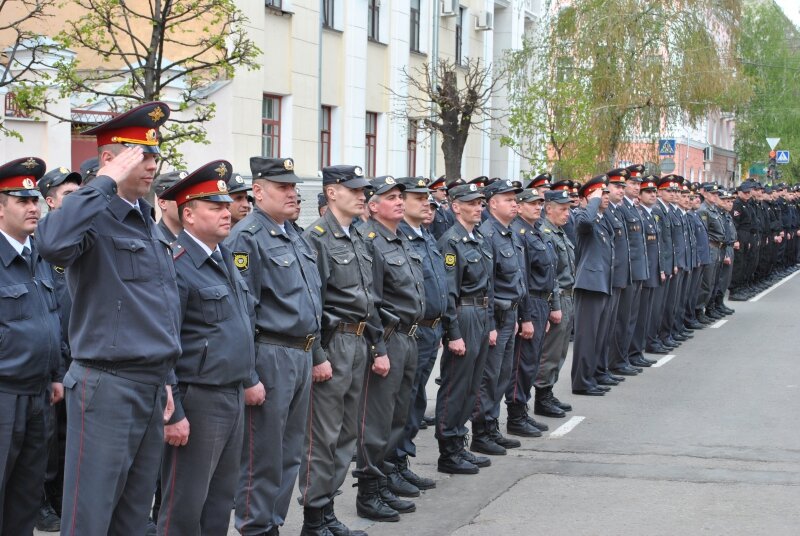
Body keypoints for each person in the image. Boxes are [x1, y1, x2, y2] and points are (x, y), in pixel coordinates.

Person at [37, 101, 181, 535]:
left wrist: (168, 378)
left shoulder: (146, 222)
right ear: (110, 159)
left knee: (134, 518)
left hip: (151, 383)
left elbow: (160, 309)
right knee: (90, 516)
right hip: (107, 385)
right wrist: (102, 184)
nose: (153, 165)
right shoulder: (92, 215)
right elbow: (53, 242)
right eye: (142, 155)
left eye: (156, 155)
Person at [155, 160, 258, 536]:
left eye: (226, 205)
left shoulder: (223, 256)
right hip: (198, 399)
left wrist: (249, 377)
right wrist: (174, 411)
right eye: (215, 207)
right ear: (189, 214)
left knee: (219, 502)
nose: (227, 212)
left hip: (230, 394)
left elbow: (239, 325)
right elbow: (166, 343)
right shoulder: (176, 264)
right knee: (184, 505)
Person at [226, 157, 322, 536]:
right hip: (271, 353)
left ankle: (272, 523)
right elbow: (242, 311)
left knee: (290, 451)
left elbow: (310, 302)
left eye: (293, 186)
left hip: (299, 352)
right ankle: (254, 525)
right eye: (283, 187)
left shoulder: (294, 233)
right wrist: (249, 374)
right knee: (261, 453)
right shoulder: (247, 237)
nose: (292, 192)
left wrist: (315, 353)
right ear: (258, 191)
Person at [298, 165, 383, 536]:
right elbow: (311, 301)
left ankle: (327, 509)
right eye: (353, 189)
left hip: (359, 341)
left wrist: (376, 343)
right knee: (323, 435)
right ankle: (314, 519)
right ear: (331, 192)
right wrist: (317, 354)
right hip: (333, 343)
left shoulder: (360, 235)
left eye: (363, 189)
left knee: (348, 434)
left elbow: (370, 298)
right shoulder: (316, 237)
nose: (362, 195)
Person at [353, 176, 425, 521]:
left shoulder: (398, 240)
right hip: (388, 338)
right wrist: (378, 346)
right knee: (376, 420)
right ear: (373, 205)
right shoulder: (371, 242)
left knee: (398, 415)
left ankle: (383, 482)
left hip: (408, 338)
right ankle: (368, 491)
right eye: (391, 197)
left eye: (401, 197)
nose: (399, 202)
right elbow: (371, 302)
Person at [0, 157, 64, 535]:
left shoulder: (38, 254)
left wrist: (55, 374)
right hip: (5, 394)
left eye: (35, 200)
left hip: (39, 396)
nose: (33, 208)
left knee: (25, 497)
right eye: (21, 200)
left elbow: (51, 315)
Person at [35, 166, 82, 532]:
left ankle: (59, 497)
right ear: (50, 202)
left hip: (78, 358)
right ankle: (40, 501)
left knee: (68, 439)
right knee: (46, 438)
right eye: (67, 196)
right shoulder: (42, 244)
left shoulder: (82, 238)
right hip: (53, 359)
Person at [470, 179, 533, 453]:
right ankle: (481, 432)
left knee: (502, 375)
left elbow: (520, 279)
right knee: (489, 376)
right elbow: (488, 284)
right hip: (496, 316)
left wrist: (521, 315)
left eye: (514, 199)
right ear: (493, 203)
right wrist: (491, 324)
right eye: (508, 199)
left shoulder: (510, 233)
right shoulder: (487, 234)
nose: (514, 203)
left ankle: (493, 425)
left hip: (511, 314)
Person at [390, 178, 445, 490]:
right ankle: (391, 466)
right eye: (417, 197)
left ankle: (402, 460)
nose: (426, 203)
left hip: (429, 331)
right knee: (402, 403)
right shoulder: (396, 238)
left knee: (415, 402)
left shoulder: (425, 236)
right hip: (408, 332)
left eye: (427, 197)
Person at [435, 183, 494, 474]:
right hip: (465, 313)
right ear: (456, 206)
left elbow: (489, 285)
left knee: (472, 384)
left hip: (481, 312)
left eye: (480, 203)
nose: (478, 208)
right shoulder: (451, 241)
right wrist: (453, 333)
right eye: (471, 203)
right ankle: (448, 450)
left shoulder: (478, 238)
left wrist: (492, 322)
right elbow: (449, 293)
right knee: (456, 385)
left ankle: (460, 442)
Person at [507, 188, 559, 427]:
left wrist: (547, 308)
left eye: (539, 203)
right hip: (529, 301)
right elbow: (523, 279)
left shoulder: (536, 231)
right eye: (532, 204)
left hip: (541, 302)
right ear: (519, 206)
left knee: (533, 361)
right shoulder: (520, 234)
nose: (537, 207)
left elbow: (548, 273)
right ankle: (516, 415)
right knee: (522, 362)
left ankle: (523, 410)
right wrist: (526, 316)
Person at [570, 175, 614, 396]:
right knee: (587, 336)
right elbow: (585, 223)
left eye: (606, 193)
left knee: (599, 335)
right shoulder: (581, 216)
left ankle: (592, 376)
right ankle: (581, 382)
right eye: (601, 193)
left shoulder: (600, 219)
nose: (605, 197)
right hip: (589, 284)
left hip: (603, 282)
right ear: (588, 197)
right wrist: (592, 200)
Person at [534, 189, 576, 417]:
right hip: (558, 299)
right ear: (548, 208)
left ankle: (548, 391)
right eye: (563, 208)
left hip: (569, 297)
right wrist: (555, 306)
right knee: (550, 352)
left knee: (560, 351)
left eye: (568, 209)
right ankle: (542, 396)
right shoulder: (545, 233)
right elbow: (551, 276)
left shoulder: (559, 233)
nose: (567, 213)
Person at [152, 171, 185, 243]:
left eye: (190, 197)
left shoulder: (200, 237)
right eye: (182, 197)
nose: (188, 203)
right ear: (162, 203)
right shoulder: (153, 241)